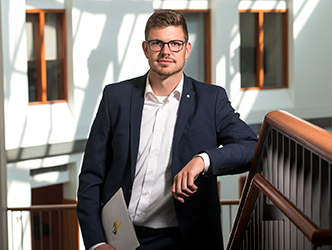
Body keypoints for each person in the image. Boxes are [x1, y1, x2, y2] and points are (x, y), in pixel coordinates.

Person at [77, 9, 258, 250]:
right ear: (145, 49)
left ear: (187, 49)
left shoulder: (211, 99)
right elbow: (91, 176)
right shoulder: (115, 97)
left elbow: (251, 147)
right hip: (122, 239)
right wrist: (96, 242)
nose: (166, 51)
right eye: (157, 43)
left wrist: (202, 161)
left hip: (186, 240)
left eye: (175, 43)